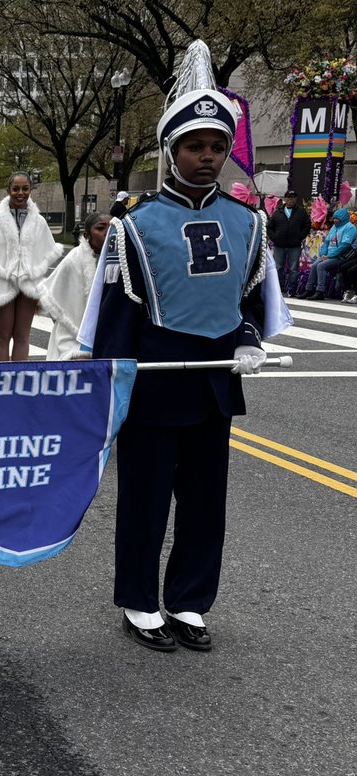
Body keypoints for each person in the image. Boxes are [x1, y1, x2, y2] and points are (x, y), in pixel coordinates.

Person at [80, 40, 291, 653]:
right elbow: (117, 314)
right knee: (144, 499)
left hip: (214, 379)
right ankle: (140, 602)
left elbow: (253, 297)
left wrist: (249, 338)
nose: (205, 158)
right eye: (193, 146)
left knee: (206, 502)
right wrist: (110, 381)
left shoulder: (248, 221)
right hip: (155, 377)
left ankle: (191, 600)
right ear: (170, 150)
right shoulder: (134, 225)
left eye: (216, 147)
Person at [0, 172, 63, 362]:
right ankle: (1, 380)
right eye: (16, 189)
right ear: (8, 190)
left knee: (22, 336)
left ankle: (19, 381)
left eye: (25, 189)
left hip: (28, 283)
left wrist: (33, 271)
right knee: (2, 336)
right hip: (2, 282)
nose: (20, 193)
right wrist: (3, 271)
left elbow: (47, 251)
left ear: (30, 190)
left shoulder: (39, 221)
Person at [43, 211, 110, 360]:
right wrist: (68, 322)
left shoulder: (120, 259)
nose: (107, 233)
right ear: (87, 236)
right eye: (100, 228)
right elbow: (50, 299)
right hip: (73, 336)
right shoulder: (73, 259)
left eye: (111, 228)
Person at [297, 207, 356, 300]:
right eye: (334, 218)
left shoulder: (350, 228)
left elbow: (345, 245)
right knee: (314, 265)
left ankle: (320, 291)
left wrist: (330, 256)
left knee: (321, 266)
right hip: (328, 256)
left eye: (337, 219)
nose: (335, 220)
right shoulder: (334, 227)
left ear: (343, 218)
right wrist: (323, 253)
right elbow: (327, 242)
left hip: (341, 257)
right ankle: (309, 289)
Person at [267, 190, 312, 293]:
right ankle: (278, 289)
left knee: (293, 269)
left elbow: (307, 224)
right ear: (285, 199)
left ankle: (292, 289)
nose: (291, 200)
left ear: (296, 199)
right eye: (289, 197)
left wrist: (300, 236)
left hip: (294, 246)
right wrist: (274, 238)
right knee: (278, 268)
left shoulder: (301, 211)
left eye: (293, 197)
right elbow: (269, 226)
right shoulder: (278, 212)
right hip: (279, 245)